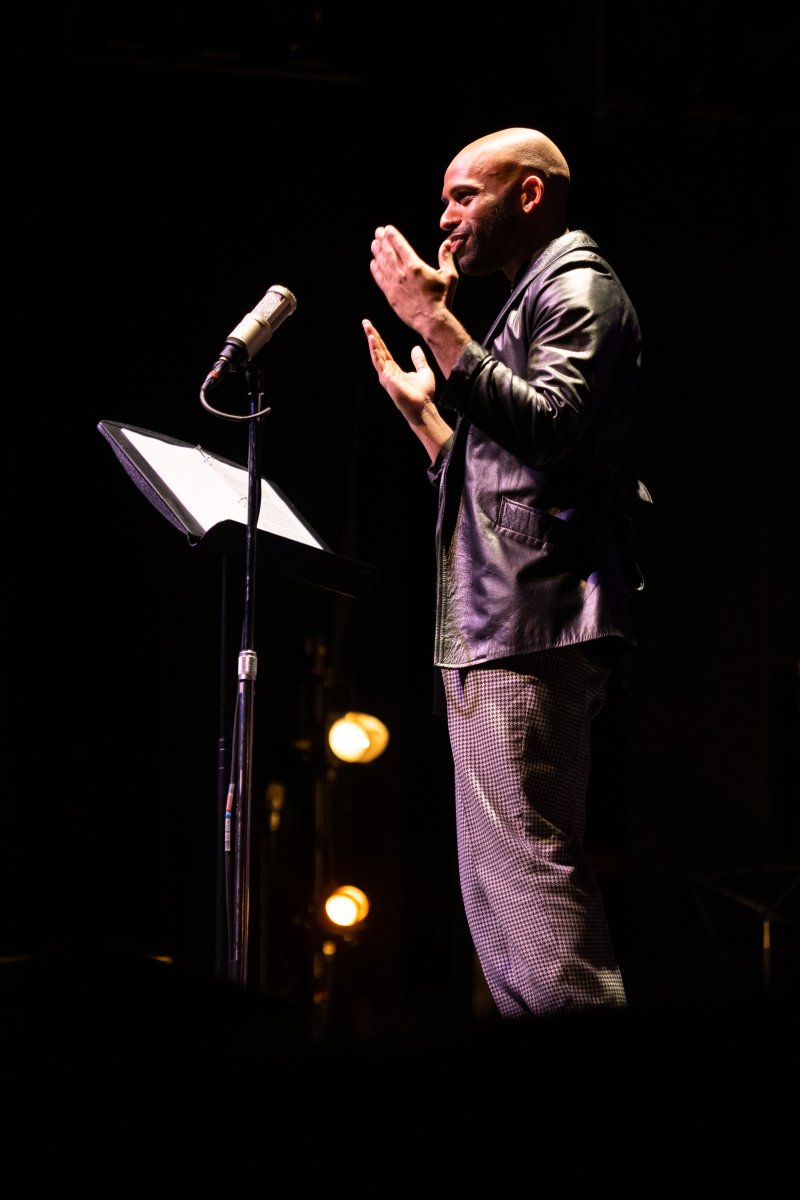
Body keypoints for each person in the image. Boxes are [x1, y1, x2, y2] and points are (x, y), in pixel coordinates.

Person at [362, 127, 645, 1019]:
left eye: (463, 196)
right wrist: (428, 425)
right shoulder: (531, 296)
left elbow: (553, 427)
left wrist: (435, 324)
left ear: (528, 194)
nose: (444, 220)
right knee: (492, 894)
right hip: (499, 622)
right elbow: (518, 474)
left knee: (526, 870)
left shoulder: (577, 288)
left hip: (532, 625)